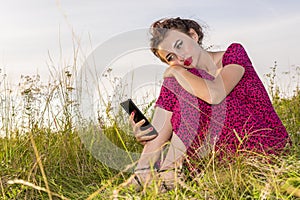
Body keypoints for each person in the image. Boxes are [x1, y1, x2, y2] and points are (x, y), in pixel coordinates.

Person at [120, 17, 290, 191]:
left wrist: (176, 70)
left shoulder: (233, 53)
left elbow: (215, 94)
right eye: (171, 57)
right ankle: (144, 171)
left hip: (262, 143)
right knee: (176, 83)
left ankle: (169, 171)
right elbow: (169, 123)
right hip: (214, 154)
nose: (180, 57)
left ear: (193, 36)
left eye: (179, 45)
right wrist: (147, 135)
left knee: (183, 82)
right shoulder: (183, 80)